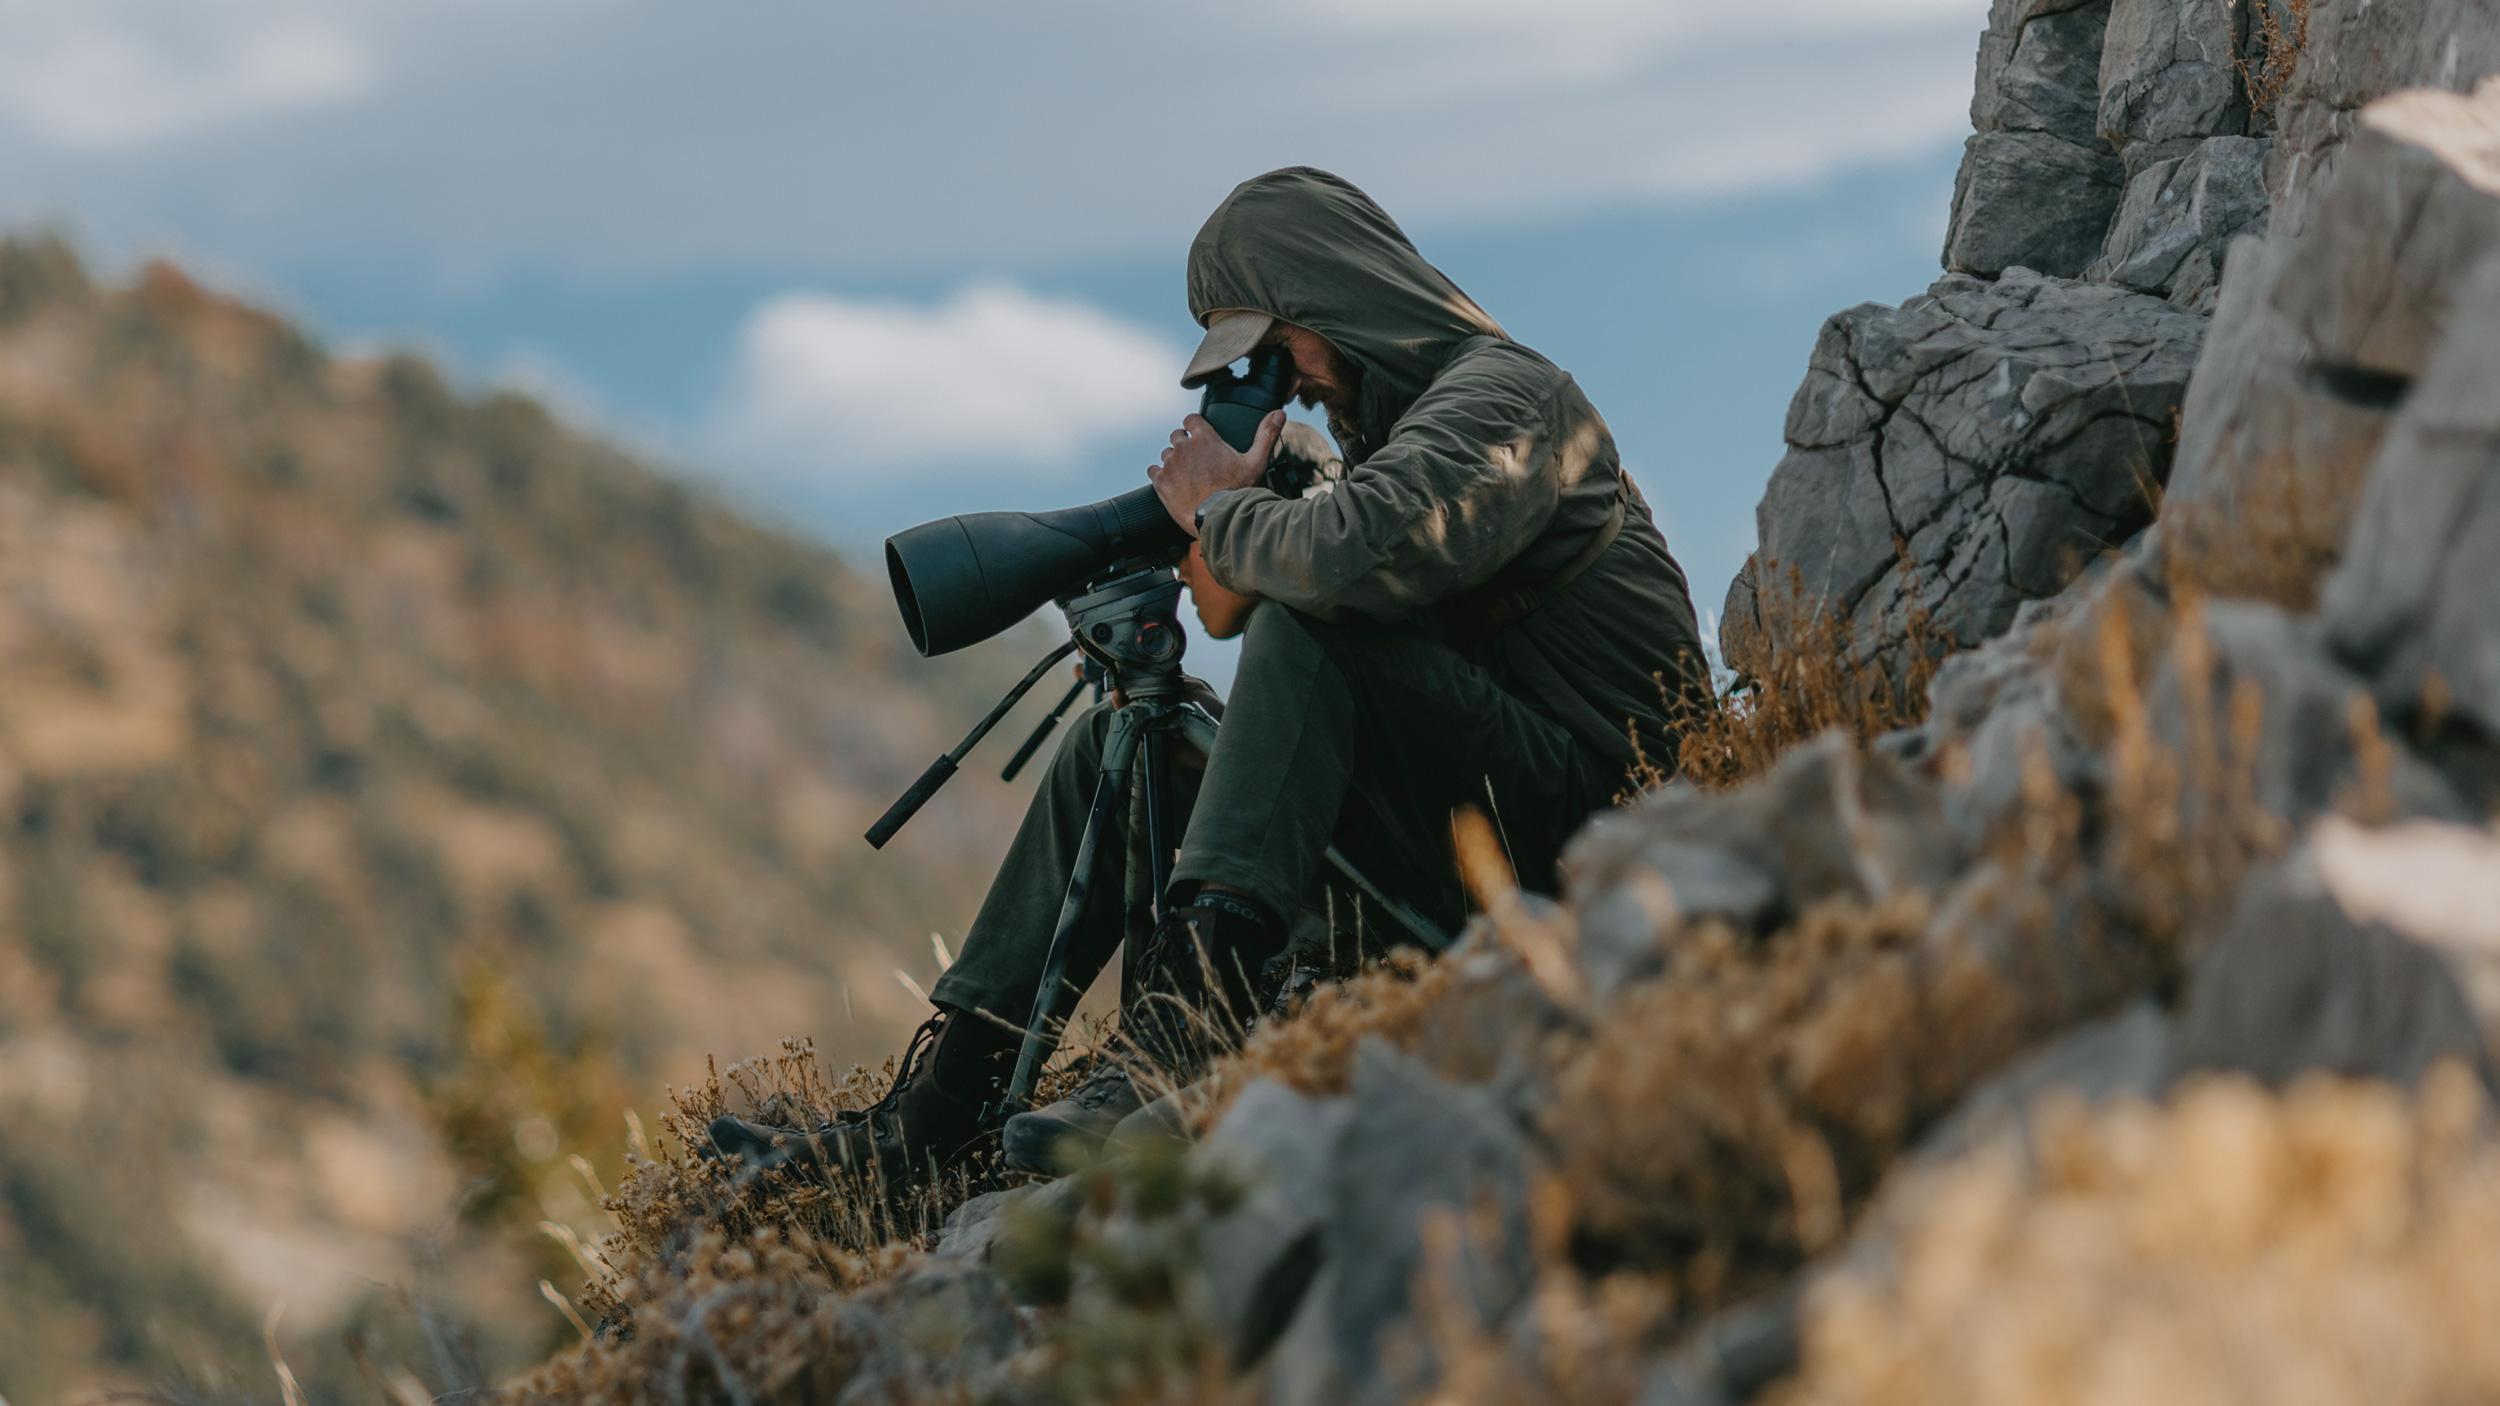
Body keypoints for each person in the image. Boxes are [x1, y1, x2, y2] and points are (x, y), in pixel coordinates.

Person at [708, 167, 1707, 1187]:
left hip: (1603, 828)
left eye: (1280, 352)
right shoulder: (1383, 450)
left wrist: (1218, 510)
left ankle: (1181, 1033)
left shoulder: (1507, 396)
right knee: (1117, 741)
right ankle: (932, 1117)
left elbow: (1340, 562)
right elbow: (1246, 602)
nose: (1290, 380)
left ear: (1337, 300)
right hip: (1460, 825)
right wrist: (1236, 497)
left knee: (1322, 634)